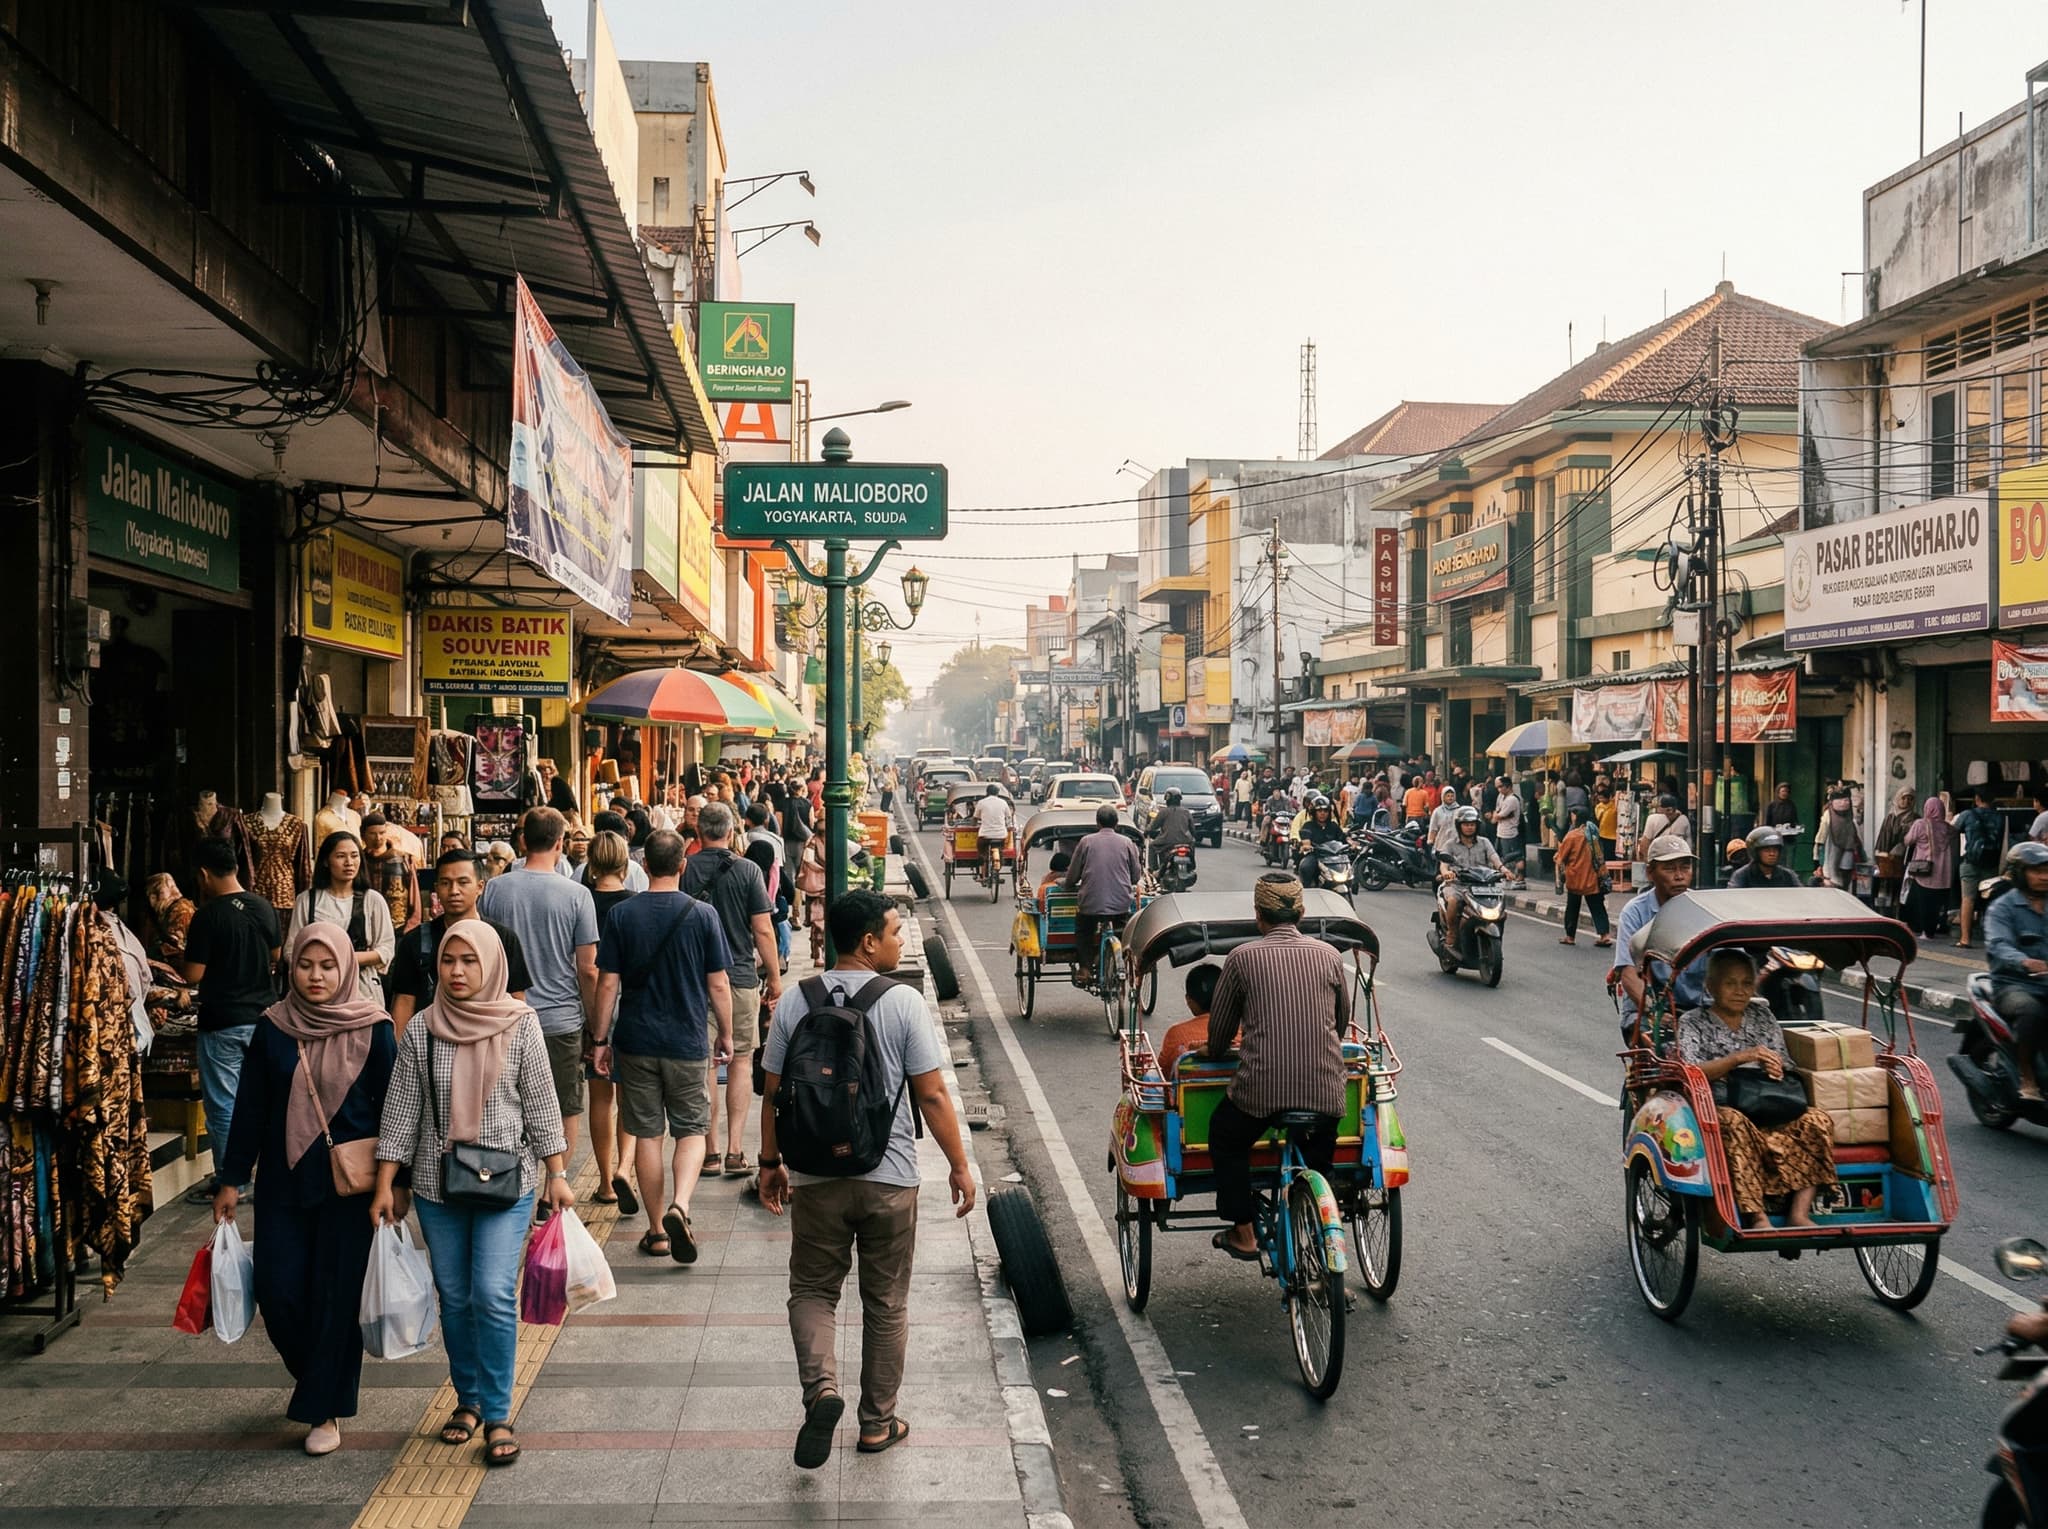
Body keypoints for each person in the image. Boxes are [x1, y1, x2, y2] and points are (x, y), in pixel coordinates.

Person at [758, 891, 976, 1469]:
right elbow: (930, 1092)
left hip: (813, 1176)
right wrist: (959, 1163)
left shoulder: (794, 1003)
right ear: (867, 942)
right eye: (895, 932)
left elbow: (774, 1093)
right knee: (885, 1303)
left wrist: (769, 1163)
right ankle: (877, 1424)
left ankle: (822, 1391)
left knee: (811, 1291)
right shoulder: (901, 1002)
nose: (901, 941)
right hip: (890, 1176)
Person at [372, 922, 572, 1469]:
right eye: (447, 961)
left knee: (492, 1293)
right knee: (455, 1296)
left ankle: (500, 1411)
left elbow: (541, 1102)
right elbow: (400, 1112)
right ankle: (470, 1399)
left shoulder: (521, 1025)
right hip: (439, 1186)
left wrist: (556, 1173)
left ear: (492, 965)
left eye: (469, 961)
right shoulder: (421, 1031)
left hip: (507, 1184)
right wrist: (386, 1185)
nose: (457, 971)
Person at [213, 925, 398, 1455]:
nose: (316, 976)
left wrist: (395, 1184)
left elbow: (396, 1113)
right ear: (289, 969)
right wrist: (231, 1179)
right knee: (279, 1289)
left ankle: (324, 1408)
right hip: (282, 1183)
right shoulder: (272, 1028)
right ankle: (318, 1379)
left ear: (346, 970)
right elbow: (248, 1108)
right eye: (305, 965)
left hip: (351, 1189)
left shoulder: (375, 1028)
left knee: (336, 1299)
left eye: (328, 966)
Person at [590, 830, 732, 1260]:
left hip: (634, 1040)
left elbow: (607, 982)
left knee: (647, 1134)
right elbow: (719, 983)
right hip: (687, 1040)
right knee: (690, 1130)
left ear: (645, 865)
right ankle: (681, 1204)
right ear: (682, 865)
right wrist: (725, 1033)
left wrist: (599, 1040)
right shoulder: (703, 915)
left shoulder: (622, 915)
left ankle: (656, 1231)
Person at [1204, 873, 1348, 1261]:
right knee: (1318, 1163)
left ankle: (1245, 1233)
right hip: (1326, 1092)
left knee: (1224, 1136)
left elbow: (1219, 1034)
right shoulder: (1330, 956)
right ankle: (1321, 1241)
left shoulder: (1242, 958)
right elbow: (1341, 1023)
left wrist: (1214, 1051)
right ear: (1300, 913)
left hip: (1261, 1093)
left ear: (1258, 916)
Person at [1677, 949, 1837, 1228]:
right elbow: (1691, 1071)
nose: (1740, 991)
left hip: (1766, 1101)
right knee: (1733, 1123)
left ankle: (1799, 1212)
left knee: (1817, 1120)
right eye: (1730, 983)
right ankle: (1756, 1215)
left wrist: (1775, 1068)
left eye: (1746, 984)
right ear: (1710, 986)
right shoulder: (1692, 1022)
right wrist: (1739, 1058)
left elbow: (1783, 1062)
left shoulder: (1763, 1016)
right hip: (1721, 1106)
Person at [478, 807, 599, 1165]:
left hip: (504, 1017)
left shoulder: (495, 890)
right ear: (560, 843)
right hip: (560, 1020)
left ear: (522, 840)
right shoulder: (577, 895)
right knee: (564, 1107)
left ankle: (517, 1187)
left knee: (510, 1105)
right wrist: (595, 1026)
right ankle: (554, 1190)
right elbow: (587, 969)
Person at [180, 836, 282, 1203]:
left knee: (225, 1105)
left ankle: (232, 1180)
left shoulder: (207, 916)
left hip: (222, 1020)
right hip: (265, 1017)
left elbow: (193, 974)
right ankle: (269, 1173)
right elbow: (277, 953)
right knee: (265, 1100)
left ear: (204, 875)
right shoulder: (263, 906)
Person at [682, 804, 782, 1178]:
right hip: (739, 978)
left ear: (699, 831)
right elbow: (763, 930)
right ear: (732, 829)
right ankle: (736, 1151)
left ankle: (709, 1150)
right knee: (740, 1060)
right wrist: (774, 976)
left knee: (705, 1063)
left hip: (692, 981)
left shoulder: (685, 869)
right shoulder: (747, 870)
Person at [385, 850, 533, 1034]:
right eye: (446, 883)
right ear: (436, 889)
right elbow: (404, 1002)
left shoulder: (502, 938)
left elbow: (516, 998)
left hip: (491, 1039)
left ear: (480, 887)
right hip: (433, 1041)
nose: (454, 891)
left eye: (463, 883)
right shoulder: (415, 941)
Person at [1613, 835, 1711, 1039]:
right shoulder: (1636, 913)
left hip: (1699, 1011)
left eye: (1685, 867)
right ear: (1650, 872)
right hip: (1649, 1008)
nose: (1679, 876)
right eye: (1669, 868)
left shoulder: (1704, 909)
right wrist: (1653, 1010)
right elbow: (1628, 974)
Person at [285, 832, 397, 1005]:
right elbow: (291, 950)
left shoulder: (372, 900)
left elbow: (386, 950)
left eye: (354, 856)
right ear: (326, 861)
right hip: (316, 988)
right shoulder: (307, 900)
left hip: (361, 990)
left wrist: (346, 959)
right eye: (340, 856)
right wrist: (318, 965)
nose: (349, 863)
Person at [1986, 840, 2048, 1101]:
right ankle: (2027, 1074)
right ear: (2020, 873)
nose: (2044, 876)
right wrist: (2025, 962)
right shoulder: (2002, 908)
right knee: (2031, 1011)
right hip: (2014, 985)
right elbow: (1998, 945)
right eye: (2036, 870)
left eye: (2047, 869)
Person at [1062, 805, 1144, 986]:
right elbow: (1136, 876)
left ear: (1097, 823)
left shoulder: (1086, 842)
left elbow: (1073, 875)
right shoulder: (1127, 843)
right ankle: (1121, 958)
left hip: (1091, 904)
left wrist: (1066, 884)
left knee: (1083, 931)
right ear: (1116, 823)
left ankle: (1084, 967)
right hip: (1121, 903)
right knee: (1123, 929)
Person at [1954, 784, 2008, 949]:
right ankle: (1993, 938)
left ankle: (1965, 939)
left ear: (1976, 799)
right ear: (1993, 800)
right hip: (1991, 864)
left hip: (1971, 862)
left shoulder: (1967, 815)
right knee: (1990, 901)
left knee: (1968, 900)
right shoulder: (2001, 817)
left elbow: (1952, 831)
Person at [1154, 962, 1227, 1082]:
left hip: (1184, 1099)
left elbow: (1164, 1073)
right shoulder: (1242, 1031)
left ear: (1189, 1000)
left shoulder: (1176, 1034)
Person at [1557, 805, 1611, 947]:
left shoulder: (1572, 836)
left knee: (1572, 908)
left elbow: (1560, 857)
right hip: (1593, 877)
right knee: (1597, 906)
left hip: (1575, 877)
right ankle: (1604, 935)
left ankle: (1570, 936)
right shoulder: (1594, 833)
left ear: (1575, 817)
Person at [1900, 796, 1953, 937]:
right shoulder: (1948, 828)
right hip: (1943, 873)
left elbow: (1907, 841)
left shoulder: (1920, 824)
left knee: (1921, 902)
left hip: (1924, 870)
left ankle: (1924, 931)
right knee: (1936, 904)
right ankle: (1931, 929)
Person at [1293, 794, 1346, 886]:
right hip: (1315, 856)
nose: (1322, 813)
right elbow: (1306, 841)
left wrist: (1353, 844)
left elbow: (1344, 839)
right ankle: (1307, 889)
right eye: (1319, 811)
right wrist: (1306, 846)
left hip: (1334, 858)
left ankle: (1351, 885)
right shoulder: (1308, 826)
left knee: (1349, 866)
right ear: (1314, 812)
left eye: (1325, 811)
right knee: (1306, 866)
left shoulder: (1333, 826)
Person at [1729, 828, 1799, 890]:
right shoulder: (1742, 876)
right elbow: (1733, 899)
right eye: (1767, 850)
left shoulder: (1788, 876)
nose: (1772, 854)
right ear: (1755, 852)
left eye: (1775, 849)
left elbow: (1801, 896)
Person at [975, 784, 1016, 884]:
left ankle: (983, 868)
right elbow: (1008, 816)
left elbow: (975, 817)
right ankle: (997, 869)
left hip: (985, 835)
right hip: (1001, 835)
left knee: (981, 850)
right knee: (1000, 849)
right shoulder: (1003, 802)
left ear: (987, 793)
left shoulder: (981, 803)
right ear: (998, 793)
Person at [1492, 775, 1526, 886]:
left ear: (1508, 786)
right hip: (1501, 831)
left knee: (1515, 856)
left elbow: (1500, 815)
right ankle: (1507, 876)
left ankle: (1519, 877)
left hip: (1510, 832)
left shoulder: (1512, 799)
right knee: (1503, 856)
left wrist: (1497, 815)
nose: (1499, 789)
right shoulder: (1501, 797)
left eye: (1501, 787)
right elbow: (1497, 812)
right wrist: (1497, 815)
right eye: (1498, 787)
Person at [1593, 780, 1619, 865]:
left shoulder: (1613, 805)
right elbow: (1598, 817)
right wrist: (1603, 810)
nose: (1601, 800)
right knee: (1605, 854)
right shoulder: (1598, 807)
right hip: (1603, 833)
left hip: (1614, 834)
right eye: (1599, 798)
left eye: (1602, 798)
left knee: (1612, 854)